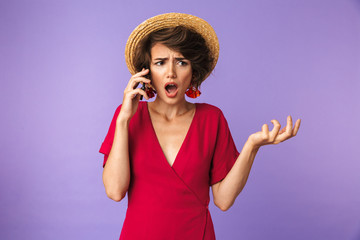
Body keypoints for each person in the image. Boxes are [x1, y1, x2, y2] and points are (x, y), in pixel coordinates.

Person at [99, 12, 301, 240]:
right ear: (146, 72)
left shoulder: (211, 119)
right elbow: (115, 191)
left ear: (193, 72)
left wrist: (252, 146)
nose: (171, 72)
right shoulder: (127, 117)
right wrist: (124, 120)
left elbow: (223, 201)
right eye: (160, 62)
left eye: (181, 62)